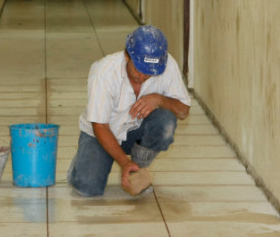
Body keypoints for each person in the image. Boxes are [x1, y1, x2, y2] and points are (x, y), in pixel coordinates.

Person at [67, 25, 190, 197]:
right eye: (138, 69)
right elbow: (100, 126)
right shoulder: (104, 73)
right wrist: (124, 162)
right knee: (88, 188)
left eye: (149, 73)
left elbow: (183, 111)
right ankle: (80, 166)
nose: (143, 77)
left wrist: (159, 99)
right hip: (101, 133)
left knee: (166, 121)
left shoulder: (166, 66)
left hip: (135, 131)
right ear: (127, 56)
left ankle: (137, 170)